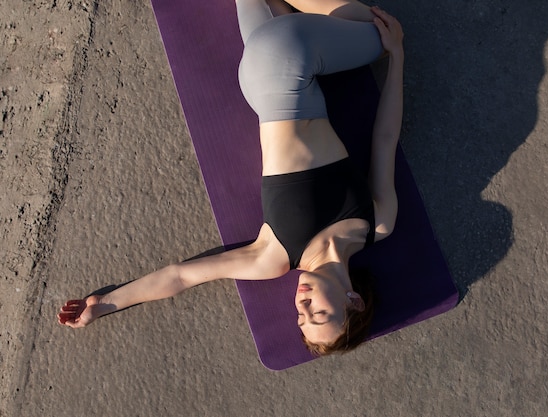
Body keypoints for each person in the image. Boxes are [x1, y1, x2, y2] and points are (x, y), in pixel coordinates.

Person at [58, 0, 404, 356]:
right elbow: (385, 139)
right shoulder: (377, 224)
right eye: (318, 313)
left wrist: (105, 304)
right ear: (355, 301)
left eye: (301, 318)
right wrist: (398, 61)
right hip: (269, 70)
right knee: (387, 37)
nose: (302, 307)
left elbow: (182, 276)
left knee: (377, 30)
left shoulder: (275, 257)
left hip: (282, 59)